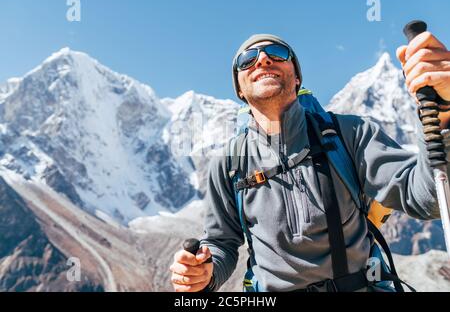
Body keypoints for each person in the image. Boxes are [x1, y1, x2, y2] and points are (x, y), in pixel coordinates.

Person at [169, 32, 450, 292]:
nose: (263, 59)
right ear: (239, 90)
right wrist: (204, 274)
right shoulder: (230, 163)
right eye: (247, 60)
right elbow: (221, 243)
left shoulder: (350, 134)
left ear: (297, 78)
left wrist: (443, 112)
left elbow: (428, 197)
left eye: (277, 53)